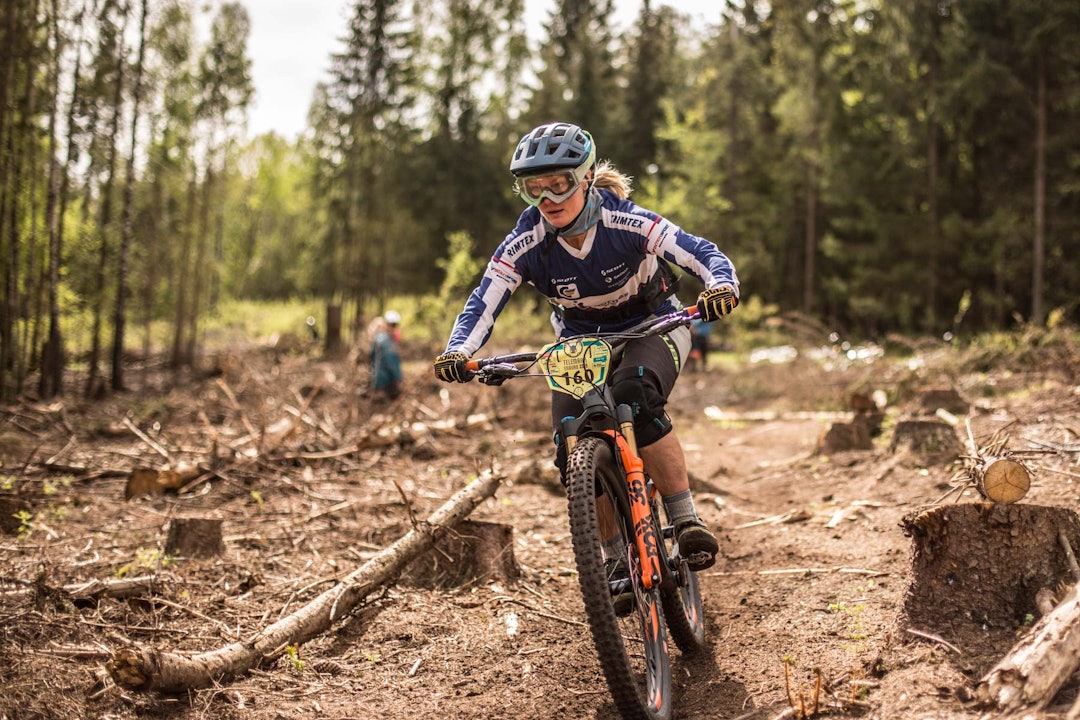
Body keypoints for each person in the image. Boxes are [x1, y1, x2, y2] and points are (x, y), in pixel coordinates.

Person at [432, 121, 739, 577]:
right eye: (533, 189)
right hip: (580, 341)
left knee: (636, 394)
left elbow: (701, 252)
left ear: (587, 177)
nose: (547, 199)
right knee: (570, 439)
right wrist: (458, 350)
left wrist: (721, 286)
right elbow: (484, 300)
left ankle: (685, 518)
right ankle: (614, 560)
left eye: (559, 184)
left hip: (653, 324)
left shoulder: (626, 220)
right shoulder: (525, 241)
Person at [369, 315, 403, 400]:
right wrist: (398, 376)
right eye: (391, 325)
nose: (393, 327)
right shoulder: (385, 341)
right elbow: (391, 361)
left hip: (380, 380)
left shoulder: (385, 340)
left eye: (394, 325)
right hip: (385, 381)